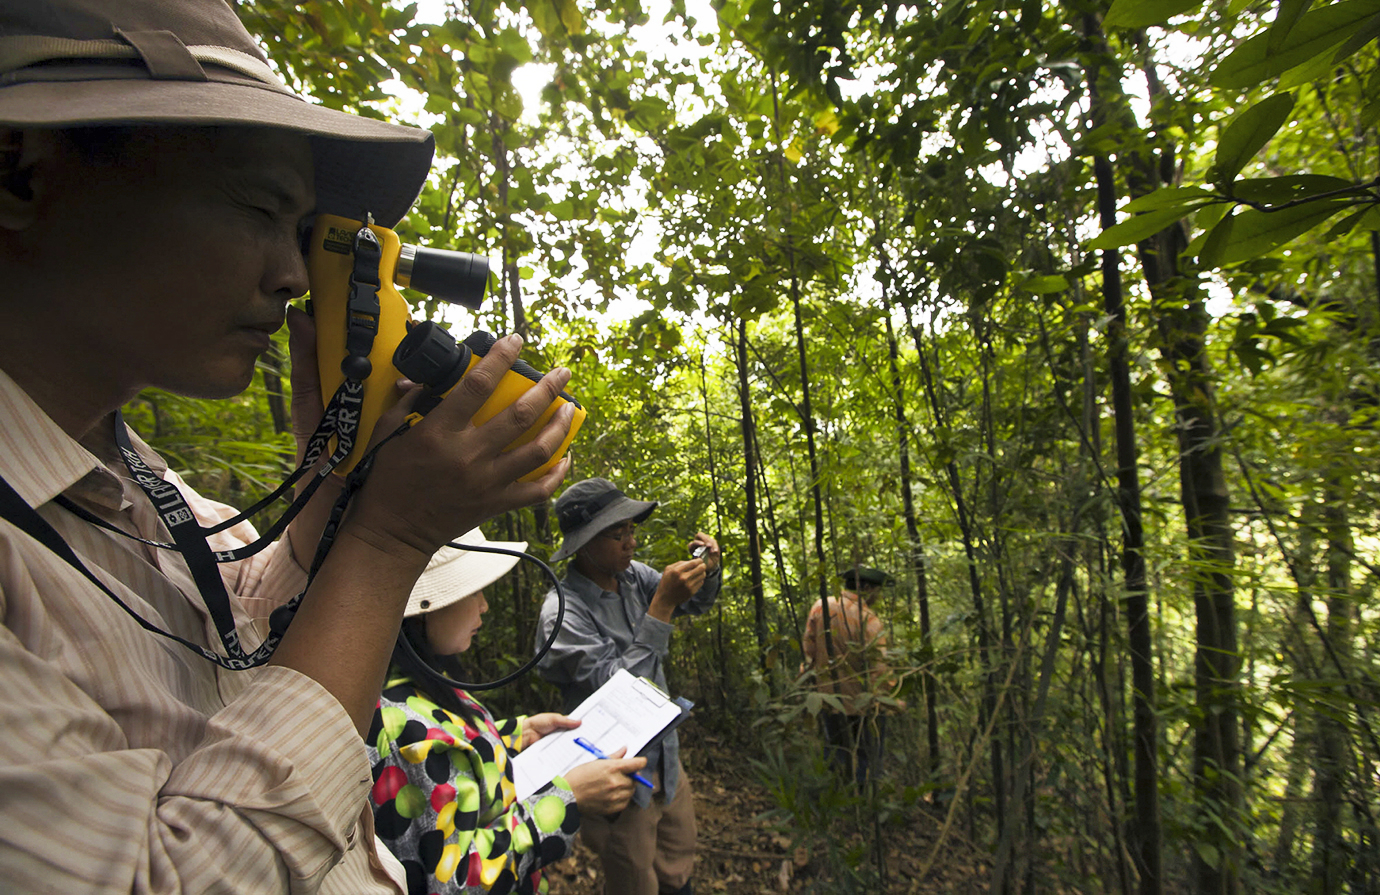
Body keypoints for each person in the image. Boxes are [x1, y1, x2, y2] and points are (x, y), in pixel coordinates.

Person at [0, 1, 575, 891]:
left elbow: (259, 642)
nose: (295, 274)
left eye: (306, 234)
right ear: (21, 174)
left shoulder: (140, 485)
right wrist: (384, 543)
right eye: (260, 210)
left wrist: (341, 482)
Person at [368, 526, 647, 895]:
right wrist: (566, 800)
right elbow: (456, 881)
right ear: (424, 607)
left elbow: (450, 757)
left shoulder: (416, 681)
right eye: (473, 591)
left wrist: (516, 733)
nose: (483, 605)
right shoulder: (404, 735)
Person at [533, 477, 722, 895]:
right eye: (617, 535)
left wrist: (707, 571)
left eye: (631, 530)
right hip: (616, 775)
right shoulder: (562, 614)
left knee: (678, 867)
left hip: (666, 760)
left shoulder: (635, 578)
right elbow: (618, 688)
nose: (631, 543)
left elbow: (696, 603)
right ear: (583, 545)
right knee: (634, 878)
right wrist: (663, 605)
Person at [800, 566, 902, 789]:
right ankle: (866, 801)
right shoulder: (870, 621)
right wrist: (891, 700)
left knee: (835, 750)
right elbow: (880, 670)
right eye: (876, 591)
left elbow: (809, 652)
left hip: (828, 699)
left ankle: (833, 799)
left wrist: (807, 687)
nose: (878, 597)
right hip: (862, 704)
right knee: (869, 754)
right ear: (865, 588)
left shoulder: (820, 607)